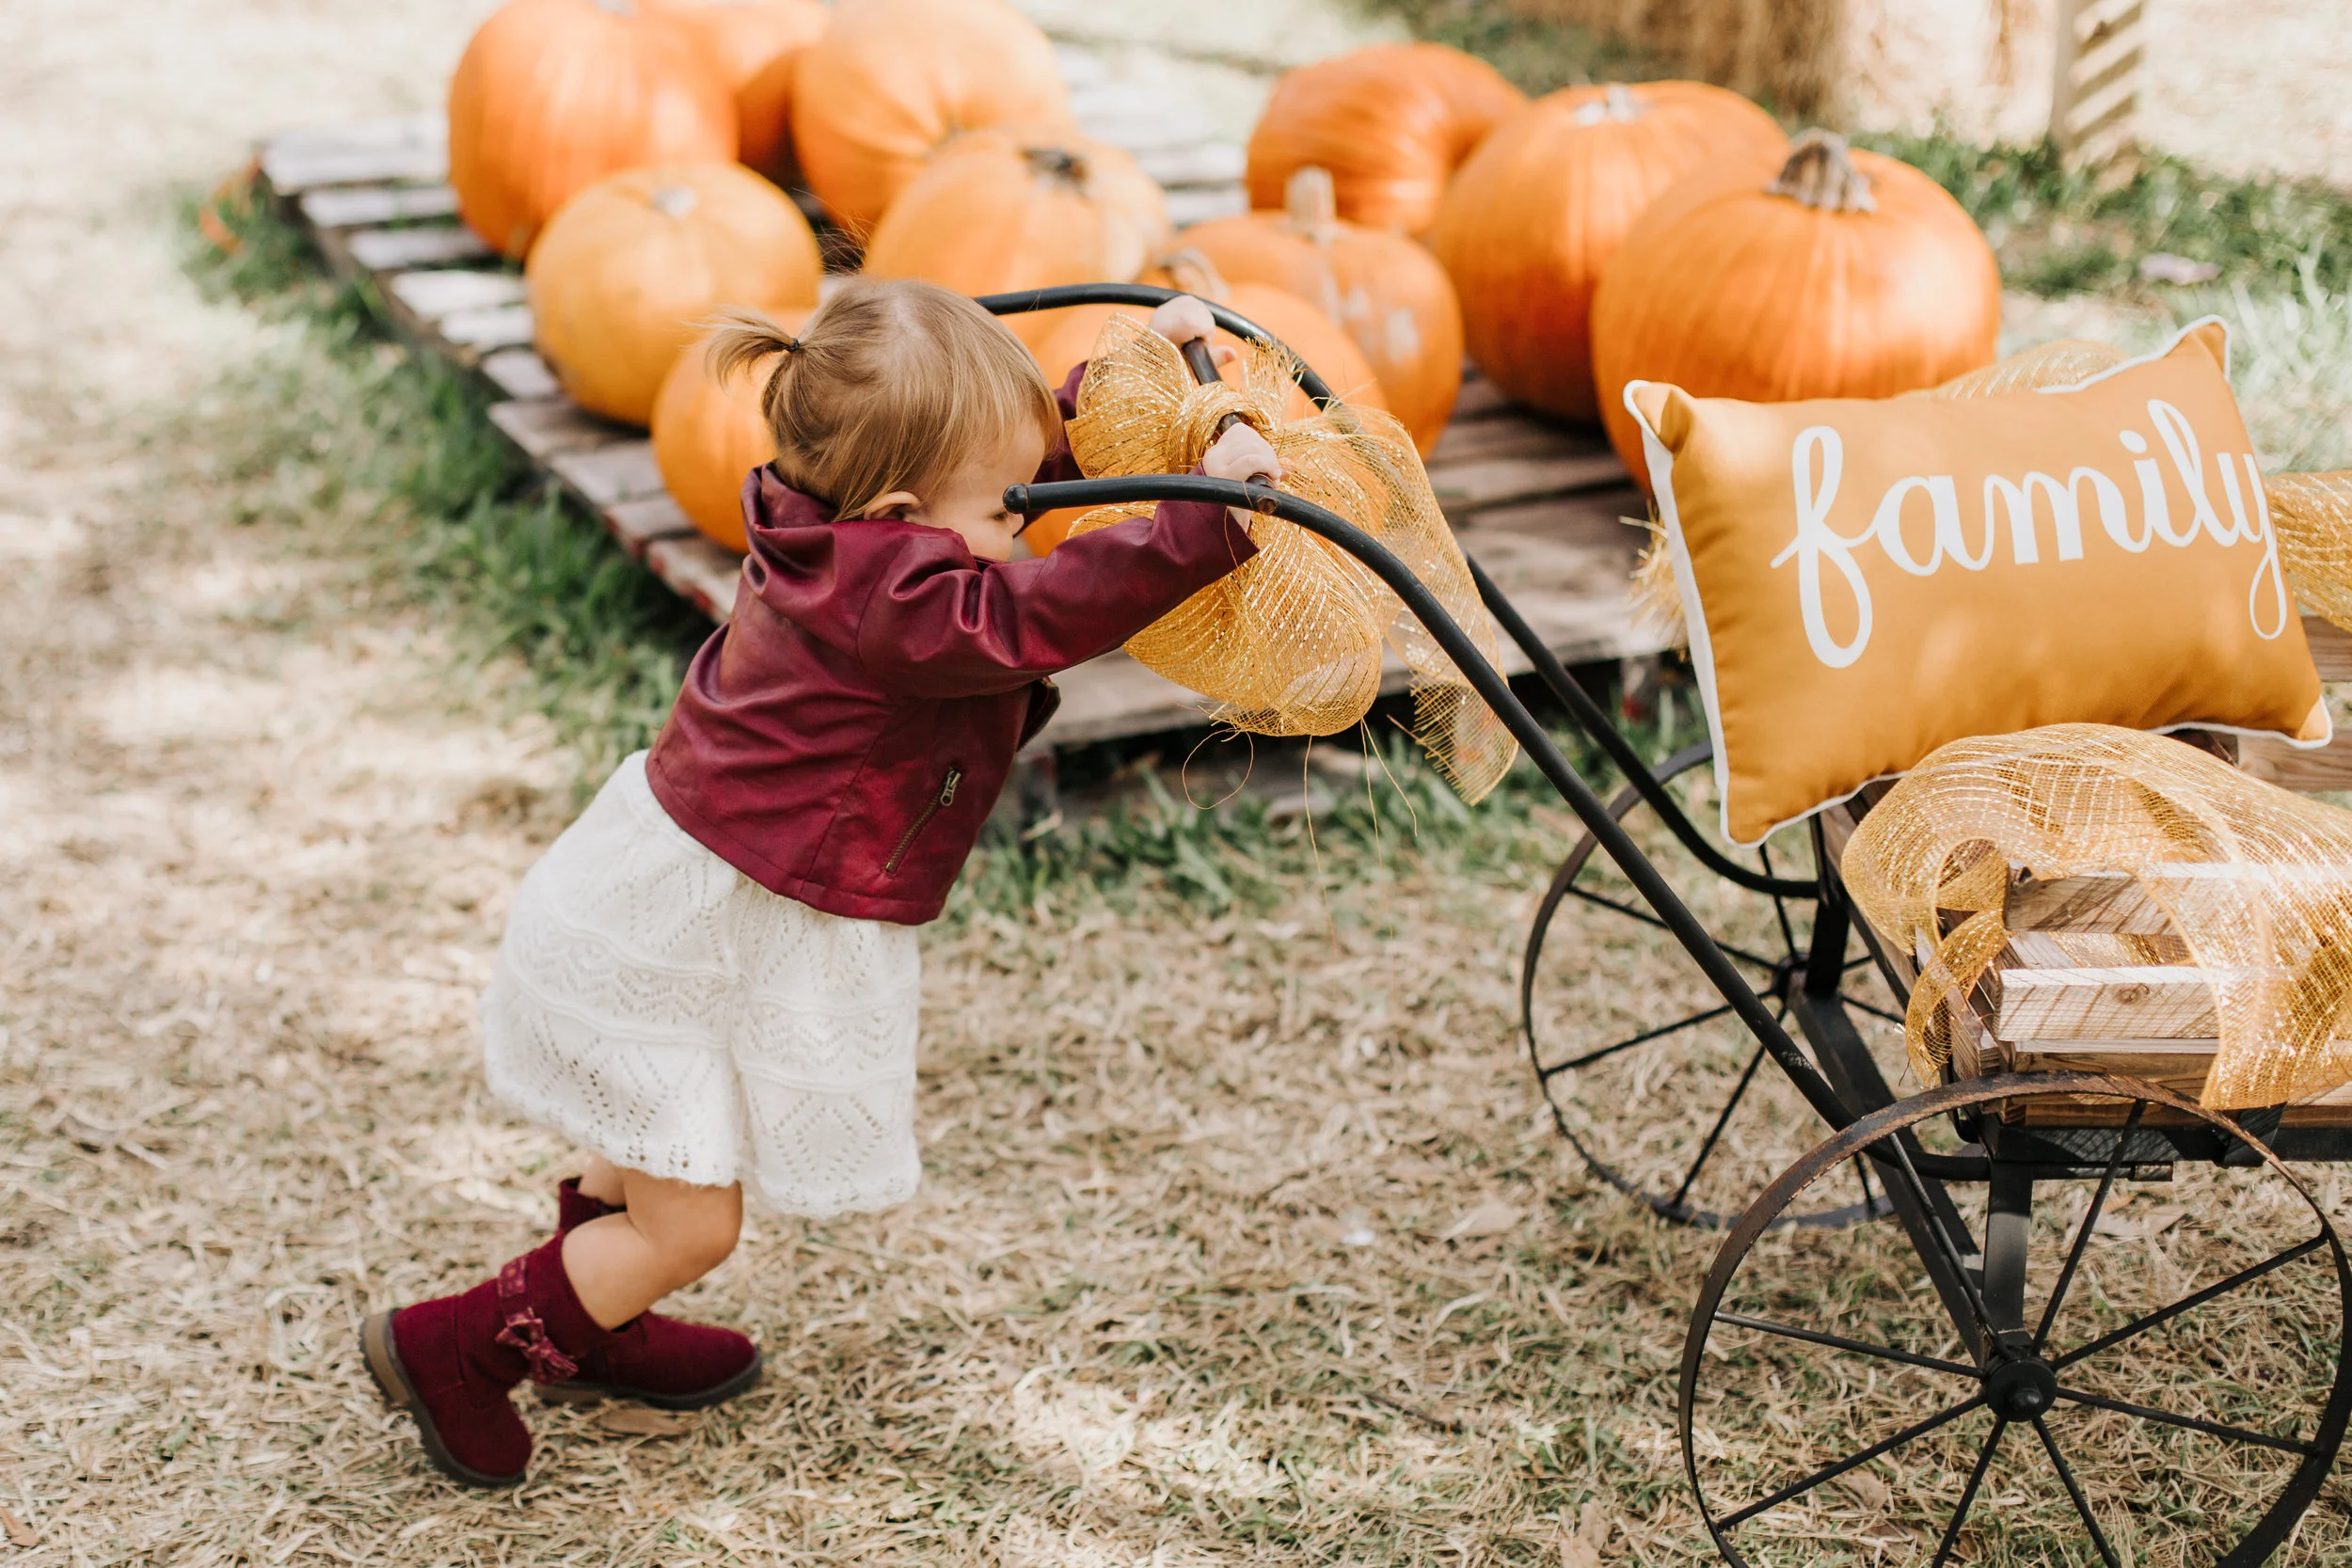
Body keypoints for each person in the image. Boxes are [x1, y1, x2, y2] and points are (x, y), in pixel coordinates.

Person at [359, 278, 1281, 1489]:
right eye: (1005, 512)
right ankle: (465, 1350)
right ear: (906, 515)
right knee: (693, 1221)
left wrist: (1116, 386)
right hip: (684, 923)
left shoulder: (842, 510)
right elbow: (1042, 605)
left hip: (671, 907)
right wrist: (1213, 520)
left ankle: (598, 1322)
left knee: (647, 1133)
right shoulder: (903, 603)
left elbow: (988, 462)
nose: (1027, 518)